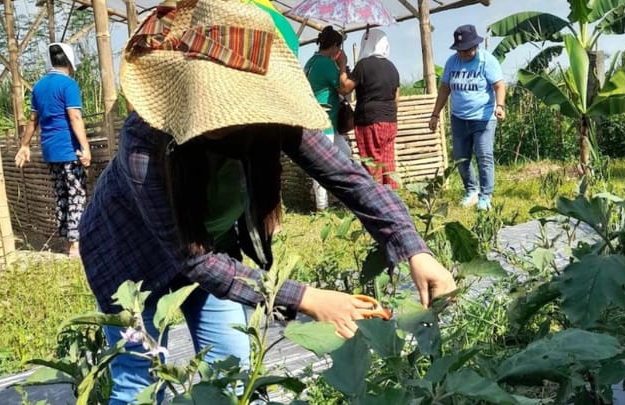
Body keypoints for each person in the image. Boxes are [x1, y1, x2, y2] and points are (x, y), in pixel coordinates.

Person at [78, 1, 457, 403]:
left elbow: (351, 180)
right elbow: (191, 258)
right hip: (129, 259)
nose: (225, 117)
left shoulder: (271, 115)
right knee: (141, 380)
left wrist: (414, 249)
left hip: (210, 247)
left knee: (234, 371)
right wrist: (308, 299)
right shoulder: (147, 141)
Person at [14, 42, 90, 257]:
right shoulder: (68, 85)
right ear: (70, 63)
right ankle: (75, 245)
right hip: (69, 149)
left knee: (61, 195)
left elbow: (32, 119)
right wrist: (85, 148)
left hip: (50, 151)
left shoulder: (38, 86)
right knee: (76, 194)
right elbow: (75, 117)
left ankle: (67, 243)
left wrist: (25, 144)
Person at [428, 24, 506, 211]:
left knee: (484, 156)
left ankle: (485, 196)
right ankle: (471, 191)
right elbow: (445, 88)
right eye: (460, 50)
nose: (463, 54)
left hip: (483, 118)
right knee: (461, 158)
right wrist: (435, 114)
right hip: (459, 118)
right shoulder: (452, 62)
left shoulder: (487, 61)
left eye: (467, 50)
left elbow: (499, 85)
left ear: (475, 46)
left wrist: (500, 105)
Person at [338, 29, 400, 189]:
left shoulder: (363, 65)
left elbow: (345, 88)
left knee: (371, 163)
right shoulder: (392, 67)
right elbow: (396, 98)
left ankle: (374, 200)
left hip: (369, 121)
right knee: (388, 163)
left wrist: (343, 65)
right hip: (390, 121)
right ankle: (391, 199)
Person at [304, 25, 352, 211]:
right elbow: (343, 87)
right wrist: (342, 66)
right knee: (322, 163)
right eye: (338, 48)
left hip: (322, 120)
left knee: (345, 154)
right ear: (333, 46)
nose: (339, 51)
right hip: (324, 121)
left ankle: (331, 196)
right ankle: (322, 206)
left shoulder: (310, 62)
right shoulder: (325, 63)